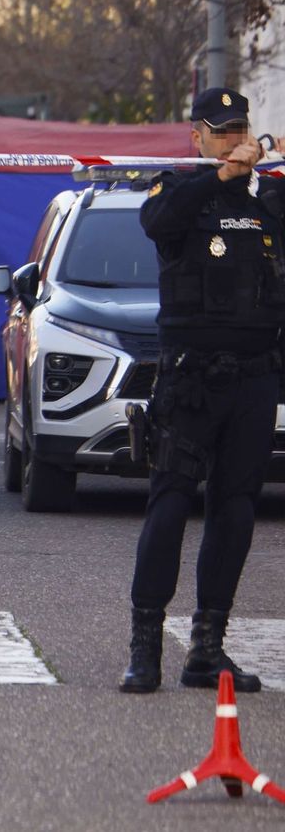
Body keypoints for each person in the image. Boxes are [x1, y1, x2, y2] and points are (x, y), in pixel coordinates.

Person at [122, 86, 285, 694]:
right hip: (191, 379)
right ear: (197, 137)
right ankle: (144, 648)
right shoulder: (179, 191)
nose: (231, 139)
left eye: (239, 128)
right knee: (169, 504)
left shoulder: (269, 200)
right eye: (219, 131)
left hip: (254, 378)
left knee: (236, 509)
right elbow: (156, 222)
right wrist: (220, 175)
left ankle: (207, 648)